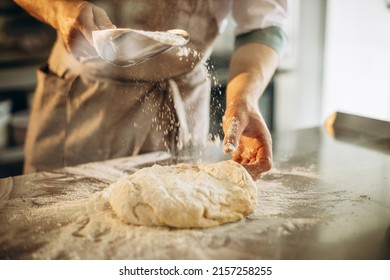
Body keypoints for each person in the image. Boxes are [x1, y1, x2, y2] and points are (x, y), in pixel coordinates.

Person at [14, 0, 288, 180]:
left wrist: (244, 98)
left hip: (181, 102)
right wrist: (59, 10)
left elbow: (262, 26)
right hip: (87, 103)